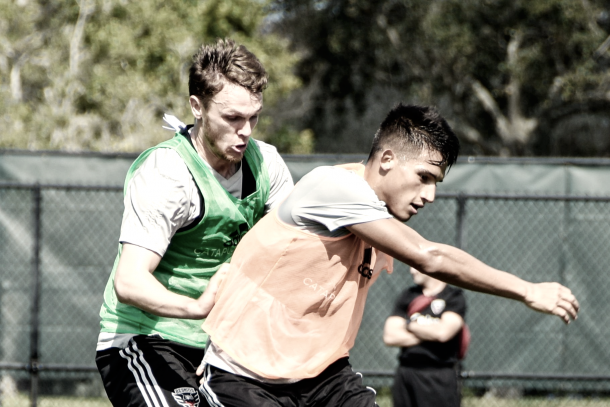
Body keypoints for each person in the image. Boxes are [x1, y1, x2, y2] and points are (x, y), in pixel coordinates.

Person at [197, 103, 579, 407]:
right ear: (387, 160)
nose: (430, 196)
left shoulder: (379, 216)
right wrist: (527, 289)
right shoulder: (335, 188)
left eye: (437, 184)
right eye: (424, 178)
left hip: (322, 379)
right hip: (243, 377)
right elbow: (429, 256)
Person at [94, 38, 294, 407]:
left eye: (254, 117)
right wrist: (198, 308)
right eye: (232, 118)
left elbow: (288, 254)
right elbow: (130, 281)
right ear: (196, 107)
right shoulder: (168, 174)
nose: (246, 130)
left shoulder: (266, 164)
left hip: (223, 344)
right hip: (145, 338)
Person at [384, 267, 468, 407]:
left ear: (429, 266)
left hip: (439, 376)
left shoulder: (453, 297)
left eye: (416, 266)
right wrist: (428, 334)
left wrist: (409, 325)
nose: (412, 271)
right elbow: (390, 336)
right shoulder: (408, 295)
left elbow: (443, 333)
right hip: (406, 373)